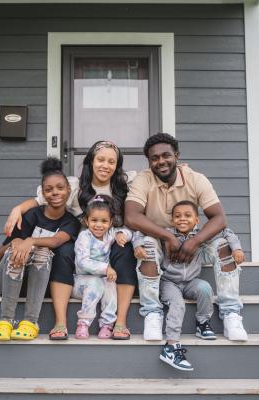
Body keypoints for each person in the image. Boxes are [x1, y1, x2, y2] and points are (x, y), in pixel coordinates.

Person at [3, 141, 137, 339]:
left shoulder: (124, 186)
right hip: (80, 243)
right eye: (100, 160)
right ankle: (60, 322)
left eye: (111, 162)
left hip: (111, 242)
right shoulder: (75, 185)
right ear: (91, 161)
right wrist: (18, 209)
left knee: (125, 250)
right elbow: (40, 200)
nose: (105, 165)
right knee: (64, 250)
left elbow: (151, 178)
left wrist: (179, 166)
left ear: (117, 166)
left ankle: (121, 322)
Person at [125, 133, 248, 342]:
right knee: (146, 244)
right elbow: (131, 216)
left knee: (223, 246)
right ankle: (153, 313)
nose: (161, 161)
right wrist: (167, 236)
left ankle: (230, 314)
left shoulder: (195, 179)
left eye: (166, 155)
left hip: (192, 246)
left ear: (177, 156)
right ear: (149, 161)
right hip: (159, 243)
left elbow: (219, 218)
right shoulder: (143, 179)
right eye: (155, 158)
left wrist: (195, 241)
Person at [133, 200, 243, 371]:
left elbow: (226, 231)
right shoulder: (166, 234)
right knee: (178, 304)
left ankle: (202, 323)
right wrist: (137, 245)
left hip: (191, 282)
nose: (182, 219)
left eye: (187, 215)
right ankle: (171, 345)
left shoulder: (201, 235)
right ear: (172, 220)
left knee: (205, 288)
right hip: (169, 282)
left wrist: (237, 249)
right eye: (177, 216)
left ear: (197, 220)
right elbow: (140, 232)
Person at [0, 158, 80, 341]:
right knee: (16, 250)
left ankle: (30, 321)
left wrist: (30, 240)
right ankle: (6, 320)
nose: (55, 192)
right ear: (43, 194)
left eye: (60, 188)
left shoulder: (71, 222)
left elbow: (55, 241)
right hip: (8, 281)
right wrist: (14, 242)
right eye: (49, 189)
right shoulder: (31, 215)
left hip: (38, 285)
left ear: (68, 190)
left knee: (43, 250)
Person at [73, 195, 133, 339]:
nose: (99, 225)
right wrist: (105, 268)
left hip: (103, 278)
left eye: (104, 221)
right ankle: (83, 323)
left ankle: (107, 324)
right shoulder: (84, 237)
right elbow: (82, 262)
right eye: (94, 220)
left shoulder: (109, 234)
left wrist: (120, 234)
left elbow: (129, 232)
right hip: (81, 282)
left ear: (111, 222)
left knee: (110, 284)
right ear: (86, 221)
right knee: (95, 283)